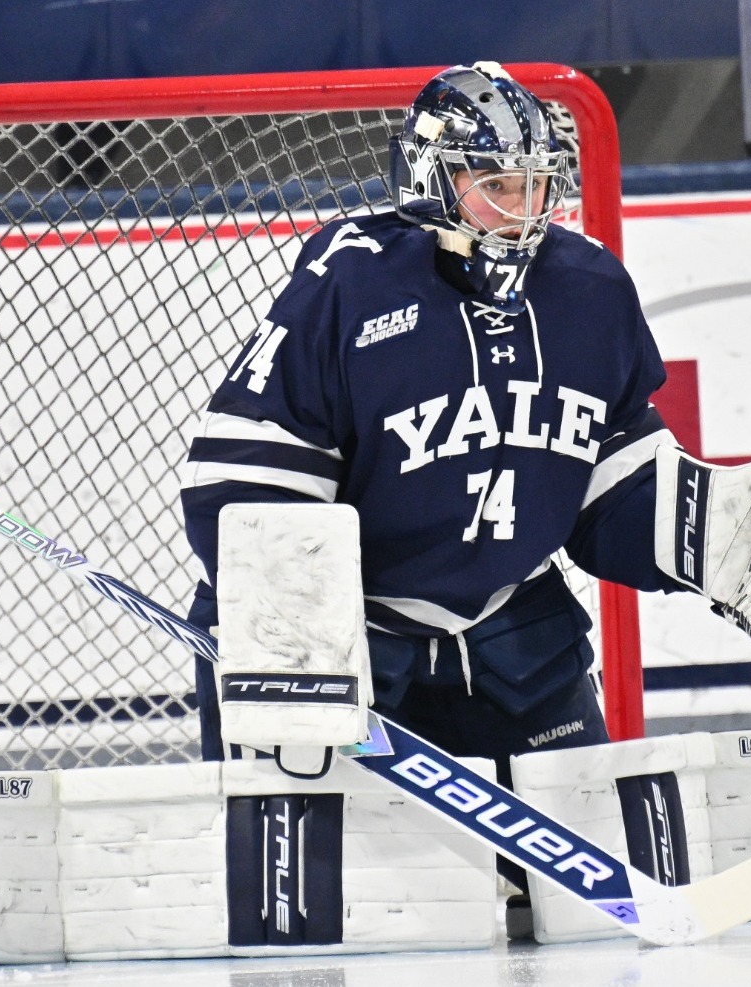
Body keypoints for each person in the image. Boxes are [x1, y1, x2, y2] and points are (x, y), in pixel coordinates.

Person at [179, 61, 684, 769]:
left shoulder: (590, 289)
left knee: (568, 865)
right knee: (329, 875)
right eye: (496, 185)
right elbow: (241, 477)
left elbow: (615, 484)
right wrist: (295, 636)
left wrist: (709, 533)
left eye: (534, 182)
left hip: (514, 641)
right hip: (346, 648)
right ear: (430, 180)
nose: (522, 206)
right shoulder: (350, 283)